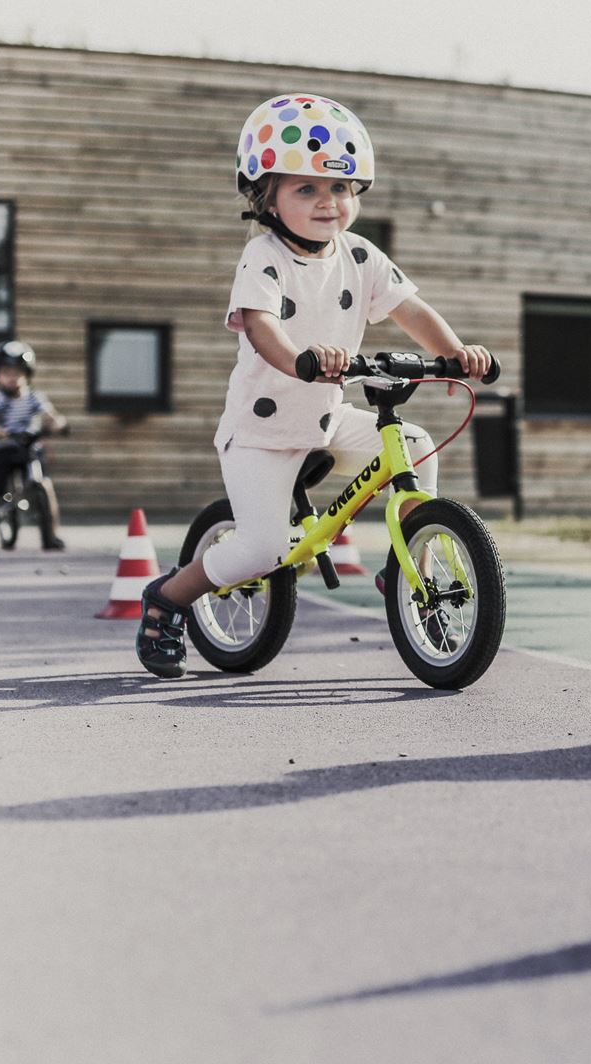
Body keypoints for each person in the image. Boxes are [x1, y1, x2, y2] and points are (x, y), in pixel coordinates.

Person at [134, 94, 492, 678]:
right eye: (306, 190)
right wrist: (302, 358)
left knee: (417, 444)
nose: (328, 203)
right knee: (263, 550)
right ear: (265, 197)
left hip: (326, 418)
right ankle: (168, 599)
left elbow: (410, 309)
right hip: (261, 431)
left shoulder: (360, 255)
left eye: (341, 190)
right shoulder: (264, 256)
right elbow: (262, 327)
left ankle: (410, 564)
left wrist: (454, 353)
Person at [0, 340, 68, 551]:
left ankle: (52, 535)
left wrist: (59, 424)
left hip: (29, 449)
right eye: (6, 372)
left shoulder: (34, 398)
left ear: (27, 373)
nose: (12, 376)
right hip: (2, 449)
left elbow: (51, 416)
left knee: (45, 486)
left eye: (17, 372)